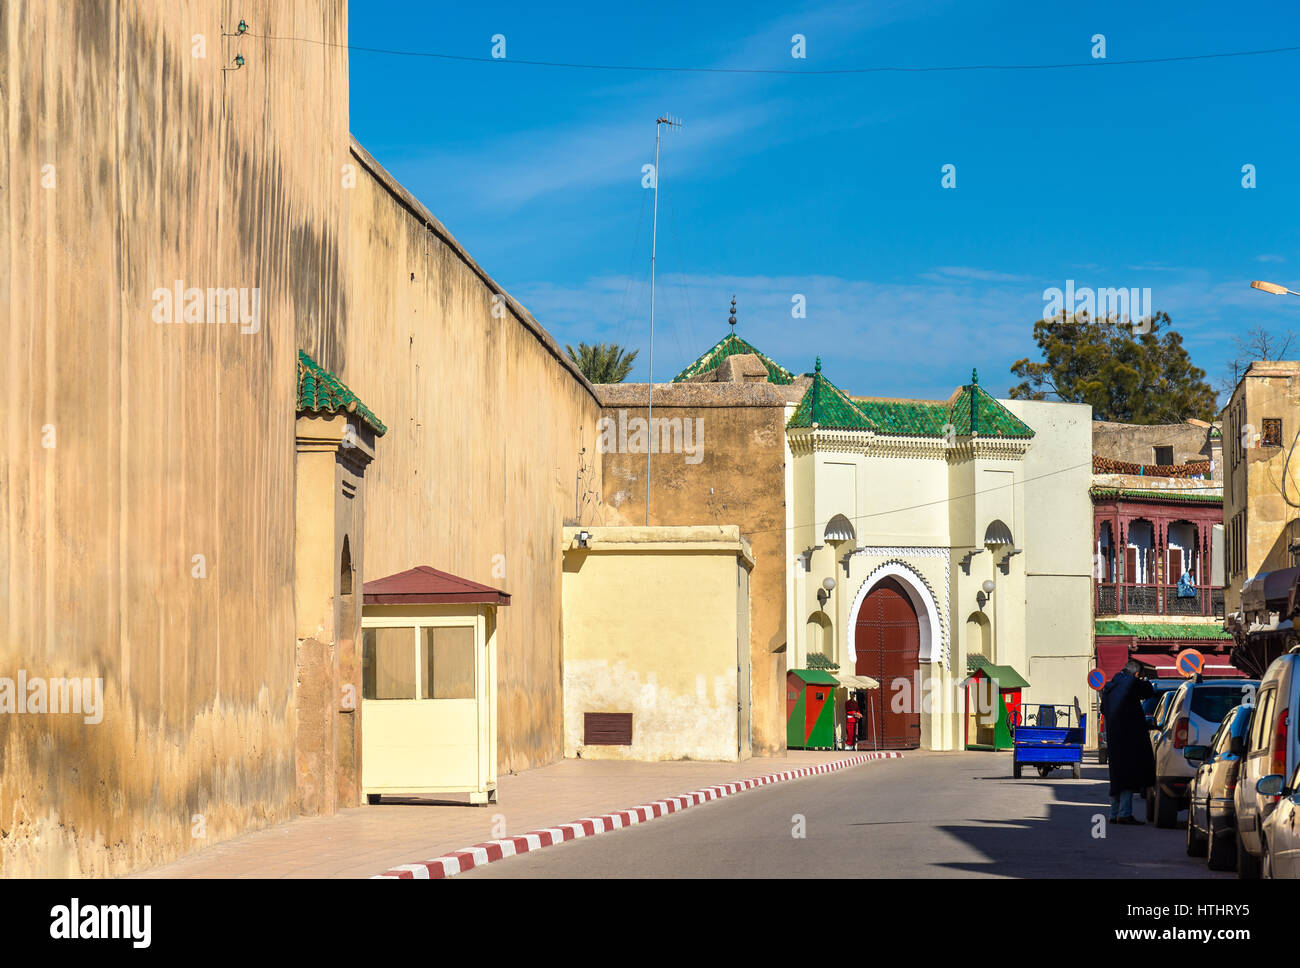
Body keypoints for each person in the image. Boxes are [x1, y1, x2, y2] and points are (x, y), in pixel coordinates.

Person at [1099, 660, 1156, 824]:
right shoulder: (1132, 683)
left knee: (1116, 775)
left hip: (1114, 738)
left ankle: (1113, 813)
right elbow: (1148, 691)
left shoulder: (1110, 687)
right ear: (1137, 674)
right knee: (1129, 775)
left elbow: (1103, 709)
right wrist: (1143, 681)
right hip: (1130, 738)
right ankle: (1124, 813)